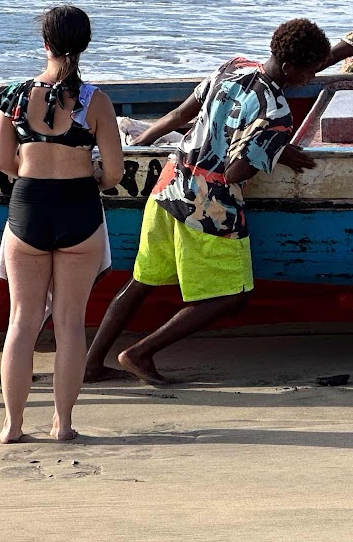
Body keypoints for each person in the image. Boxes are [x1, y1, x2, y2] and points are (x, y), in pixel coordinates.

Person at [84, 19, 329, 385]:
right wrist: (274, 148)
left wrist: (137, 146)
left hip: (168, 184)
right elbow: (236, 172)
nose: (311, 78)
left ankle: (90, 365)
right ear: (291, 68)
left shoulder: (232, 66)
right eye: (310, 70)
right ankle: (139, 353)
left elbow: (179, 116)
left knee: (141, 282)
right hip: (208, 205)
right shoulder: (276, 111)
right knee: (232, 294)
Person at [0, 6, 125, 443]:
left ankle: (12, 425)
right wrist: (88, 173)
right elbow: (114, 174)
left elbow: (4, 164)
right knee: (70, 323)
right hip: (79, 211)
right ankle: (62, 424)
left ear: (44, 43)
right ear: (85, 44)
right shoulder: (96, 101)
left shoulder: (13, 96)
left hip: (28, 208)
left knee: (22, 321)